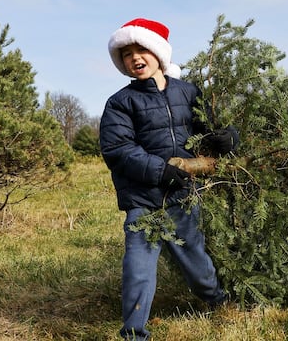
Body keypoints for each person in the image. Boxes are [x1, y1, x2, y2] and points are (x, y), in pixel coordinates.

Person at [100, 18, 234, 340]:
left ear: (158, 52)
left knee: (197, 262)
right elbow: (118, 149)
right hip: (143, 200)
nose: (134, 58)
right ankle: (134, 332)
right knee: (138, 268)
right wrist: (160, 170)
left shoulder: (188, 93)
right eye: (127, 54)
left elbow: (208, 128)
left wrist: (227, 137)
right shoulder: (121, 103)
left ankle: (217, 301)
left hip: (182, 197)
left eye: (140, 49)